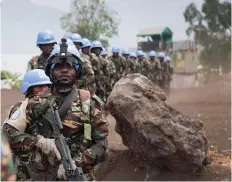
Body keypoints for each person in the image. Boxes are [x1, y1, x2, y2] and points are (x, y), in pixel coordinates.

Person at [3, 38, 108, 181]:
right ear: (51, 71)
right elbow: (7, 134)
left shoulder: (89, 103)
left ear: (77, 70)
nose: (64, 70)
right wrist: (38, 142)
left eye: (70, 66)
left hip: (75, 174)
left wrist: (76, 164)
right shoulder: (35, 103)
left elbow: (101, 144)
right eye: (59, 66)